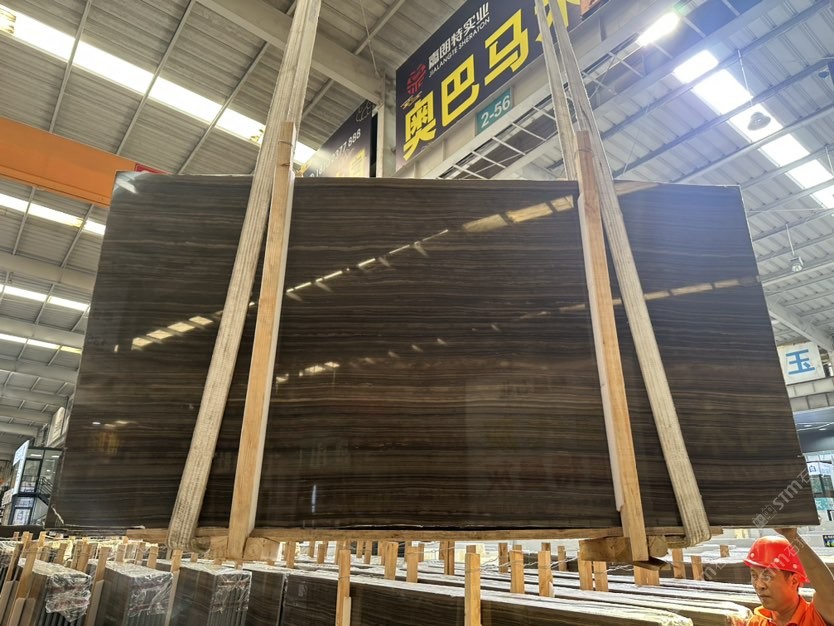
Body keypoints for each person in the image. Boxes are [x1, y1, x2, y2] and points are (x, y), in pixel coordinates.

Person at [744, 528, 834, 626]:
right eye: (754, 576)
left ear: (794, 581)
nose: (759, 585)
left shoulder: (816, 617)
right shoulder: (756, 622)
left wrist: (792, 536)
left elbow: (829, 593)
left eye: (767, 577)